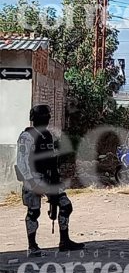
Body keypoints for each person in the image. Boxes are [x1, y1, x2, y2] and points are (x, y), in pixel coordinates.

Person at [16, 105, 85, 256]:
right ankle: (32, 246)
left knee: (65, 205)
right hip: (33, 178)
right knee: (33, 212)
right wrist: (30, 181)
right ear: (36, 118)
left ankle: (64, 242)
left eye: (48, 115)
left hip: (49, 179)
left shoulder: (47, 135)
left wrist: (56, 178)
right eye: (44, 116)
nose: (47, 118)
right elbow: (22, 162)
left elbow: (52, 158)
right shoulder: (26, 136)